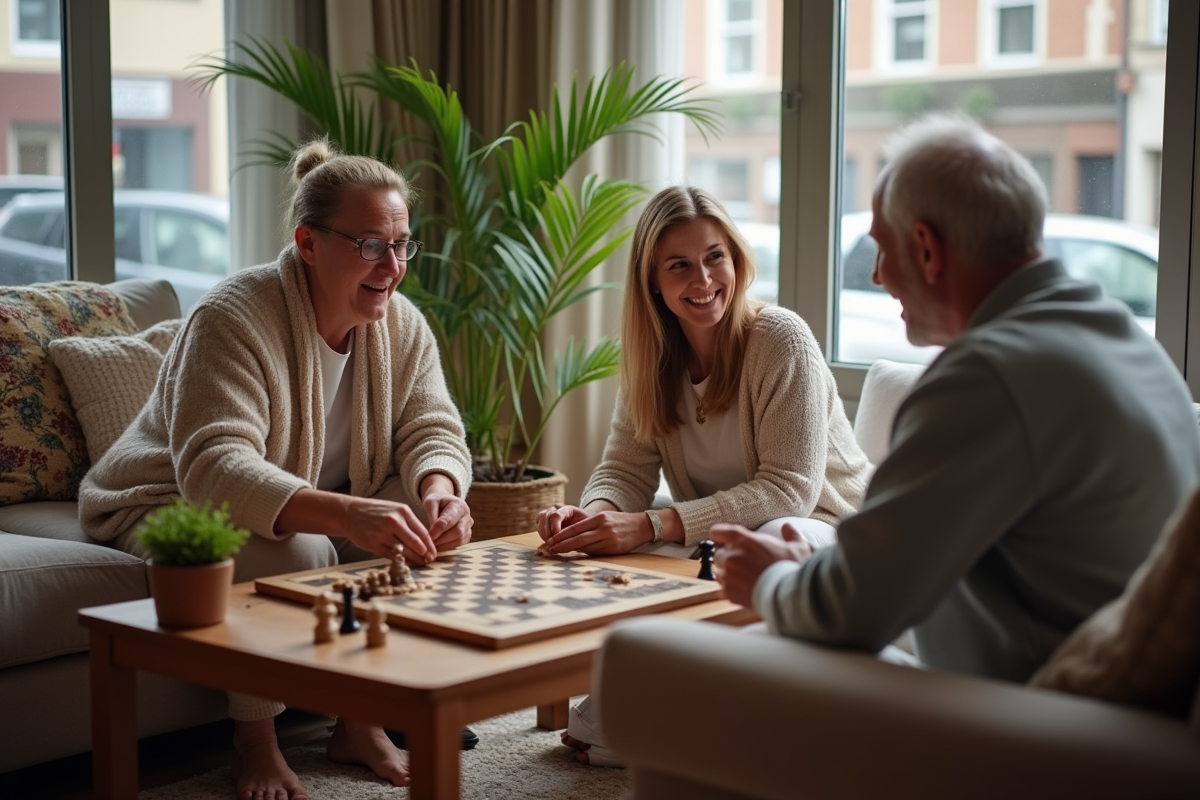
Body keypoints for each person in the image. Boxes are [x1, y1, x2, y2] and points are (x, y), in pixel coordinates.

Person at [712, 113, 1200, 685]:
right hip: (1119, 719)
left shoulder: (988, 376)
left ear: (926, 248)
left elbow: (850, 612)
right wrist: (820, 576)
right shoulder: (1119, 338)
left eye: (881, 248)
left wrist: (770, 581)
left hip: (1028, 729)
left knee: (730, 665)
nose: (876, 276)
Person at [79, 139, 474, 800]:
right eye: (372, 244)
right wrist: (349, 511)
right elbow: (217, 469)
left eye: (403, 244)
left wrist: (441, 490)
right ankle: (255, 740)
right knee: (294, 542)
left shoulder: (402, 324)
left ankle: (361, 721)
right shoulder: (234, 315)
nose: (394, 265)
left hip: (316, 495)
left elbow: (432, 425)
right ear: (308, 243)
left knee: (422, 523)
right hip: (165, 498)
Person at [537, 185, 873, 764]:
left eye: (715, 256)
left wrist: (651, 524)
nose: (703, 280)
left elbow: (790, 489)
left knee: (766, 542)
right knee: (616, 552)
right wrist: (590, 516)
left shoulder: (780, 338)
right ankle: (643, 715)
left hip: (823, 525)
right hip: (719, 533)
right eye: (679, 266)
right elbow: (624, 467)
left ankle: (651, 720)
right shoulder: (651, 357)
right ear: (653, 282)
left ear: (735, 259)